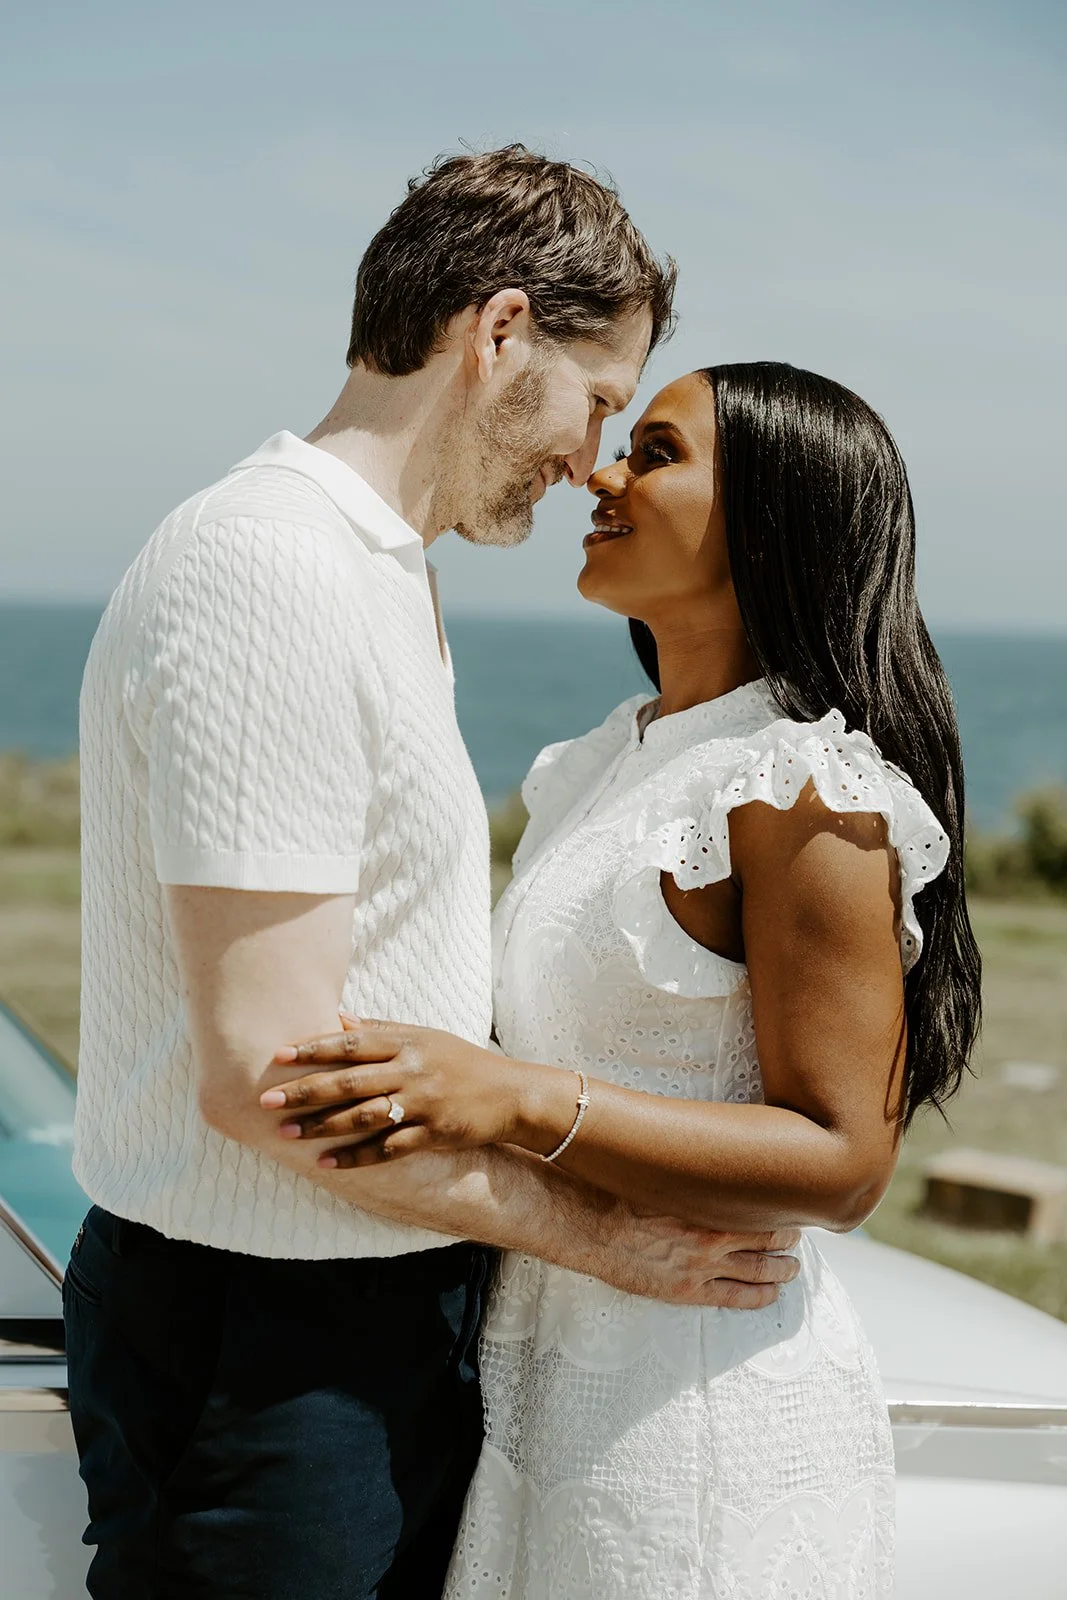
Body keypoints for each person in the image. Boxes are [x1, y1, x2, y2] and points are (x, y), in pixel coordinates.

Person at [65, 152, 800, 1600]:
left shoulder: (374, 568)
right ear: (499, 332)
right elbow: (267, 1080)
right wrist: (608, 1244)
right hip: (264, 1352)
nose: (593, 458)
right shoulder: (271, 571)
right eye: (600, 400)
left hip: (351, 1318)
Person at [262, 362, 983, 1598]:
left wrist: (514, 1099)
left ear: (770, 514)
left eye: (654, 453)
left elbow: (842, 1160)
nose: (600, 471)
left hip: (696, 1412)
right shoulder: (614, 754)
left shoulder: (799, 786)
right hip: (542, 1388)